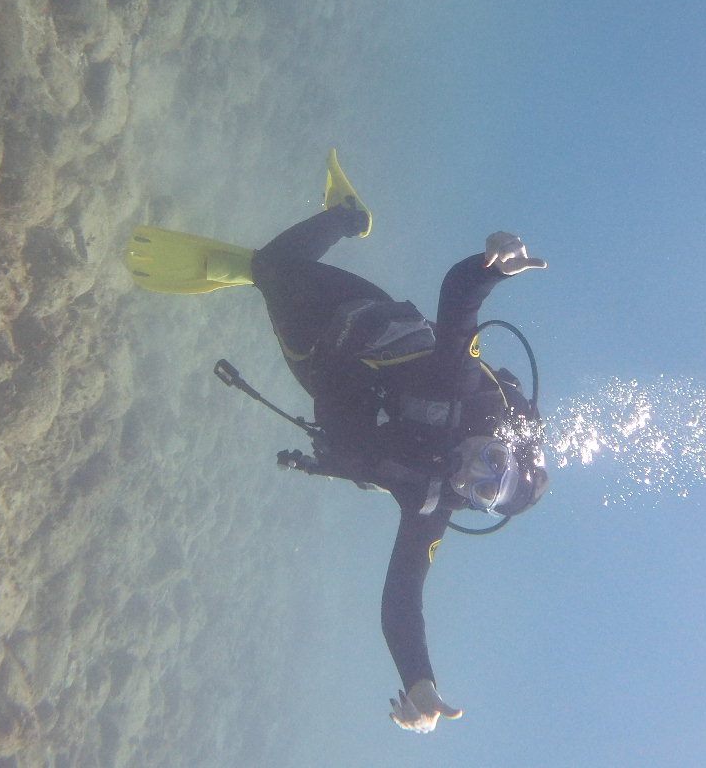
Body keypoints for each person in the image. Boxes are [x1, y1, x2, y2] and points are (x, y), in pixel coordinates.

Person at [126, 151, 549, 733]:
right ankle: (347, 217)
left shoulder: (429, 504)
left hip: (319, 365)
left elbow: (402, 599)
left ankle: (338, 224)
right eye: (493, 461)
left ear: (475, 507)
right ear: (500, 439)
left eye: (482, 489)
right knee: (272, 268)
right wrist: (492, 267)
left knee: (274, 275)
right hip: (362, 314)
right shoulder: (462, 389)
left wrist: (419, 680)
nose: (471, 470)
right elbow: (459, 301)